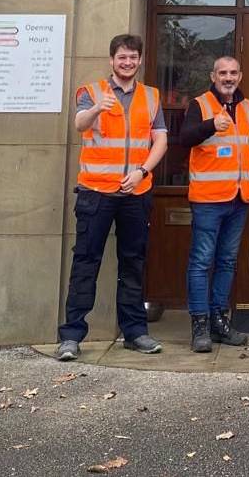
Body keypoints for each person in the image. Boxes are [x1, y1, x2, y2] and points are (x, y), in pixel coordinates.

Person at [56, 33, 168, 360]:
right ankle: (71, 336)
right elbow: (79, 124)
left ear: (140, 60)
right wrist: (95, 111)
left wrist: (142, 172)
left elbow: (160, 140)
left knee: (133, 263)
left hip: (136, 192)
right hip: (96, 193)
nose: (128, 62)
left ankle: (135, 332)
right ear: (111, 60)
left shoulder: (150, 96)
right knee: (85, 262)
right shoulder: (91, 92)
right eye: (122, 57)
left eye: (133, 57)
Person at [180, 54, 249, 353]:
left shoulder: (246, 107)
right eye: (222, 73)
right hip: (208, 200)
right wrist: (209, 125)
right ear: (213, 76)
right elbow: (185, 138)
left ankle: (219, 320)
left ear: (240, 76)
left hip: (239, 198)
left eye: (233, 73)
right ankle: (200, 324)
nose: (228, 78)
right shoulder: (200, 104)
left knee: (228, 261)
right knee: (202, 262)